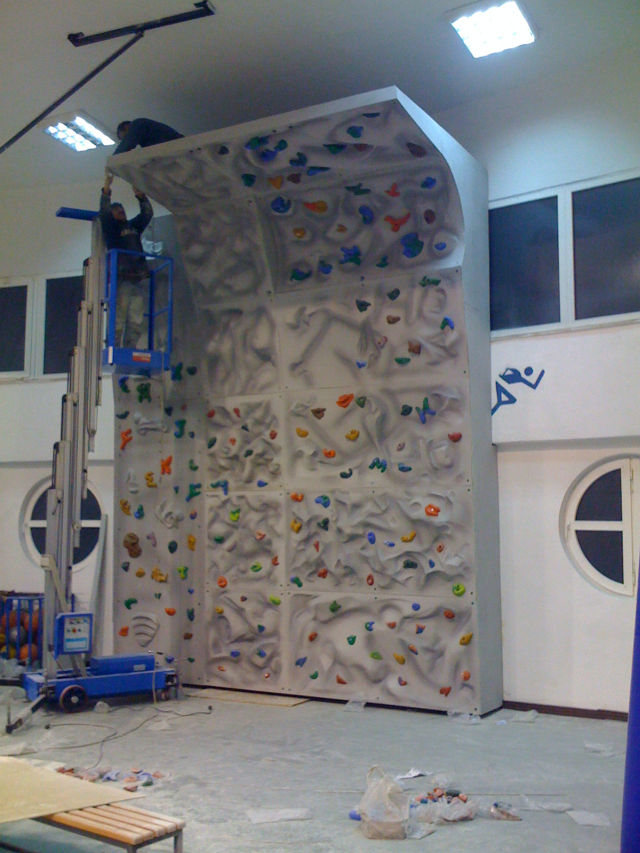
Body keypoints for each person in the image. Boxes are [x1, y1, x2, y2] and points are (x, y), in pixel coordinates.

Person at [99, 170, 153, 348]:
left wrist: (141, 197)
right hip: (121, 277)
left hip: (138, 277)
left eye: (121, 209)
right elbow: (104, 213)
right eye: (117, 210)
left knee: (136, 317)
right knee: (119, 316)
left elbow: (147, 215)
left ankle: (130, 348)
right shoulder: (112, 230)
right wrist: (106, 189)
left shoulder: (133, 226)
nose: (121, 211)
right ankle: (114, 347)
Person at [114, 118, 183, 155]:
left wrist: (111, 162)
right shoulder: (146, 142)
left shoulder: (137, 123)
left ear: (127, 127)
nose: (126, 139)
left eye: (126, 136)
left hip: (181, 146)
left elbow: (127, 143)